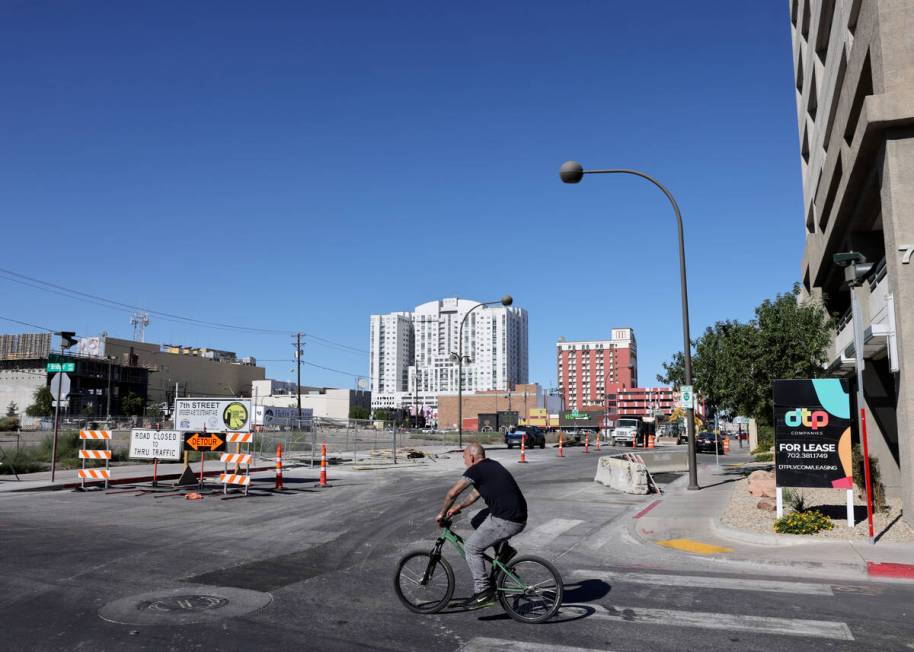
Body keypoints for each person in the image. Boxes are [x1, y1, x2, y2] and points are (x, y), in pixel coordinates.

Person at [436, 442, 527, 607]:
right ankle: (503, 550)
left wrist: (442, 513)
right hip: (515, 515)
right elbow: (475, 493)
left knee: (471, 548)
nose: (464, 461)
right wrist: (458, 507)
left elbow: (453, 493)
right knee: (475, 517)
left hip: (507, 519)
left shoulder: (475, 469)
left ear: (471, 456)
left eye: (464, 457)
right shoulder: (491, 465)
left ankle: (483, 591)